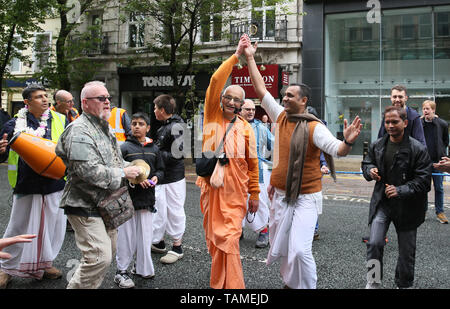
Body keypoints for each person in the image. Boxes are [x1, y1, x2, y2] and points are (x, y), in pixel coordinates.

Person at [243, 35, 362, 289]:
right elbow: (260, 89)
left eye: (290, 96)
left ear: (303, 101)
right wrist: (250, 57)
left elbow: (337, 150)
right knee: (285, 248)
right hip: (280, 195)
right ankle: (291, 283)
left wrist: (348, 141)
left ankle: (307, 286)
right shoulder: (281, 117)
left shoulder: (314, 127)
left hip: (306, 197)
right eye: (284, 95)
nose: (284, 99)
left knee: (300, 250)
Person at [55, 81, 142, 289]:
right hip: (84, 204)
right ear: (85, 103)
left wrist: (136, 169)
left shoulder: (104, 127)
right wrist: (123, 172)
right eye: (101, 98)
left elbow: (114, 160)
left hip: (106, 204)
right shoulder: (79, 131)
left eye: (108, 98)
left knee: (106, 254)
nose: (107, 102)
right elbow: (88, 172)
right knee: (98, 258)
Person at [195, 35, 260, 289]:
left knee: (230, 239)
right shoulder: (211, 115)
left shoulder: (246, 128)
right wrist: (237, 55)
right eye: (228, 97)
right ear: (221, 99)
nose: (232, 102)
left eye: (237, 100)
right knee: (214, 240)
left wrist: (254, 192)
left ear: (242, 104)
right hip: (212, 189)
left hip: (235, 192)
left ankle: (234, 288)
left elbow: (252, 163)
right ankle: (220, 282)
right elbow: (214, 81)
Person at [0, 84, 68, 288]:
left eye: (46, 96)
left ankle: (45, 264)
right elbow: (3, 155)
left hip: (54, 183)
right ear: (27, 103)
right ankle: (5, 268)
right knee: (18, 227)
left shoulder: (60, 120)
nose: (45, 99)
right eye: (39, 97)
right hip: (26, 183)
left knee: (52, 228)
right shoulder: (13, 124)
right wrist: (1, 151)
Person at [362, 106, 431, 289]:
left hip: (409, 208)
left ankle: (404, 284)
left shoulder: (418, 149)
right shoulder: (378, 145)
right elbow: (366, 163)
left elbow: (424, 182)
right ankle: (373, 281)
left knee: (406, 253)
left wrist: (401, 190)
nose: (390, 125)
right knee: (374, 243)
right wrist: (370, 171)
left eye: (395, 121)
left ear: (405, 123)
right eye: (387, 122)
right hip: (383, 204)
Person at [114, 112, 165, 289]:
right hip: (127, 198)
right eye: (134, 123)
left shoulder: (154, 148)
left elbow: (160, 170)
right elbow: (117, 172)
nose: (136, 126)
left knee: (145, 236)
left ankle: (142, 268)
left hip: (147, 199)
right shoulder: (124, 148)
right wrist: (134, 179)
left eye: (140, 124)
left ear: (148, 128)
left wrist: (157, 177)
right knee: (126, 237)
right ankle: (121, 271)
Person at [151, 94, 187, 264]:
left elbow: (178, 154)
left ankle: (177, 247)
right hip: (164, 176)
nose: (154, 111)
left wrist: (154, 153)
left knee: (174, 210)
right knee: (158, 209)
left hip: (173, 177)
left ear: (163, 110)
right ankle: (158, 242)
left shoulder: (177, 126)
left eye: (156, 107)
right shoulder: (165, 127)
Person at [240, 99, 274, 248]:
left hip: (256, 172)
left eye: (253, 109)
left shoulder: (261, 128)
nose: (251, 112)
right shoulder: (233, 126)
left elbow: (274, 145)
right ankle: (237, 230)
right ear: (240, 110)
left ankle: (263, 231)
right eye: (247, 109)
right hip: (236, 174)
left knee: (258, 203)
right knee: (237, 203)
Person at [421, 100, 449, 224]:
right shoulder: (419, 123)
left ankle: (440, 212)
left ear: (433, 110)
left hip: (438, 162)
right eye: (424, 109)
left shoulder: (442, 124)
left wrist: (441, 152)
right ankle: (423, 211)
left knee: (439, 188)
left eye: (428, 109)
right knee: (423, 188)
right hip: (423, 162)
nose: (425, 111)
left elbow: (445, 141)